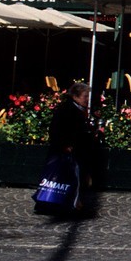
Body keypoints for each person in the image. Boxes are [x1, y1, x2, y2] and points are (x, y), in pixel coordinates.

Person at [47, 81, 102, 215]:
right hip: (67, 150)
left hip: (71, 149)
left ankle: (71, 203)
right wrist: (66, 145)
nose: (87, 99)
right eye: (85, 96)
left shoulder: (75, 109)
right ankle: (71, 204)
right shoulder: (69, 110)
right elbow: (62, 130)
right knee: (71, 178)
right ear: (75, 96)